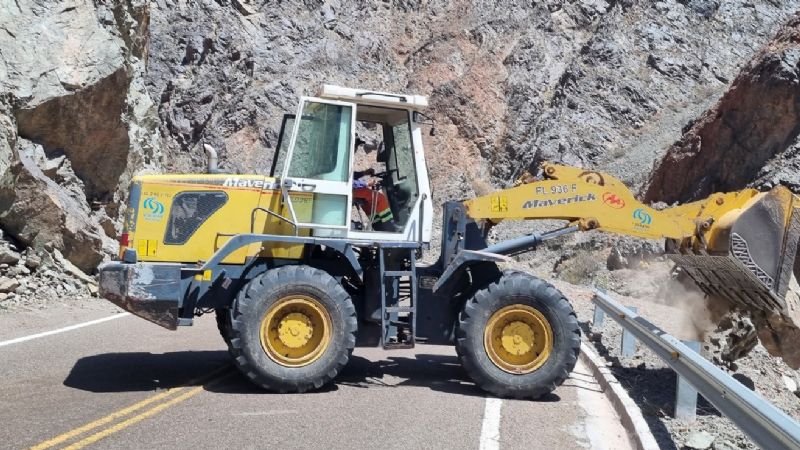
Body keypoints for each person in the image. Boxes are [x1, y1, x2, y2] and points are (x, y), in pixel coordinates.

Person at [352, 138, 402, 232]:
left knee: (368, 202)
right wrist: (365, 183)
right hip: (349, 189)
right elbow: (349, 181)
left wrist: (364, 173)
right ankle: (389, 225)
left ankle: (378, 224)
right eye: (355, 147)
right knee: (379, 198)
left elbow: (349, 176)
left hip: (349, 189)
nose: (355, 150)